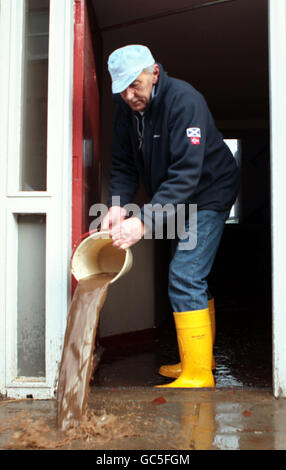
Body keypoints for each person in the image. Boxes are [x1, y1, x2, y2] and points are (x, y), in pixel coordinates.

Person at [101, 44, 240, 388]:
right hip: (177, 197)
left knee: (185, 273)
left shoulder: (185, 101)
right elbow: (122, 162)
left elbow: (185, 175)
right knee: (191, 274)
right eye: (122, 88)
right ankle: (198, 359)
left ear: (155, 72)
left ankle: (198, 376)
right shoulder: (127, 107)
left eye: (136, 85)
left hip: (209, 191)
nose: (130, 95)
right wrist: (118, 204)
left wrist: (144, 221)